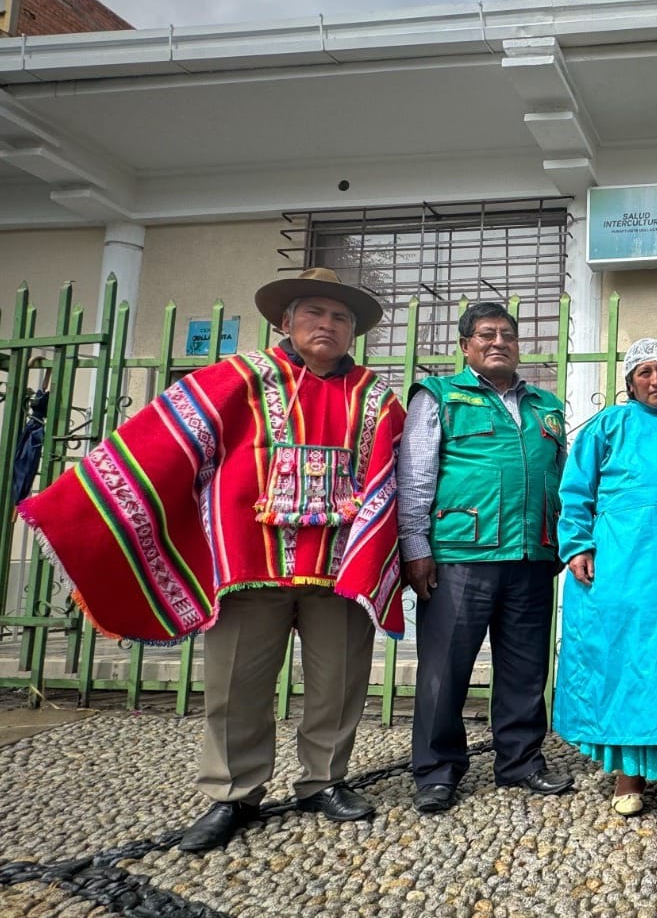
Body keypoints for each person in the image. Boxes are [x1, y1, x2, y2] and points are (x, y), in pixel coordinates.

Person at [19, 267, 406, 852]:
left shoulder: (377, 396)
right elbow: (165, 442)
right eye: (314, 313)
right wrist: (77, 503)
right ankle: (232, 793)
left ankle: (324, 781)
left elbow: (394, 477)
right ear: (286, 321)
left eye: (340, 317)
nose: (327, 325)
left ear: (353, 331)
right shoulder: (237, 377)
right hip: (248, 567)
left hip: (340, 568)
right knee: (236, 685)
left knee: (340, 682)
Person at [398, 302, 575, 813]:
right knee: (444, 671)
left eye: (507, 335)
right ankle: (437, 771)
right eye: (486, 334)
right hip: (459, 556)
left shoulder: (546, 405)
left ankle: (520, 761)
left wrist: (562, 541)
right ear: (465, 345)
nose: (499, 342)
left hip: (531, 556)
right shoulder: (438, 396)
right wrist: (416, 547)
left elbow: (563, 478)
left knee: (526, 668)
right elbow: (415, 475)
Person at [553, 338, 657, 817]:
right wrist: (577, 545)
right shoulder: (608, 425)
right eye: (645, 372)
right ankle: (629, 773)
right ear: (630, 382)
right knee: (625, 661)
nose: (655, 380)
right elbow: (575, 491)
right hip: (619, 560)